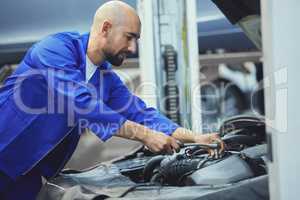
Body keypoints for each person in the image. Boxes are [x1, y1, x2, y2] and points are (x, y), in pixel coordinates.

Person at [0, 1, 221, 198]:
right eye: (129, 37)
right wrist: (145, 136)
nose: (133, 48)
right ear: (106, 28)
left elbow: (139, 112)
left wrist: (195, 137)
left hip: (28, 173)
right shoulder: (54, 50)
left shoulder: (104, 77)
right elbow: (82, 104)